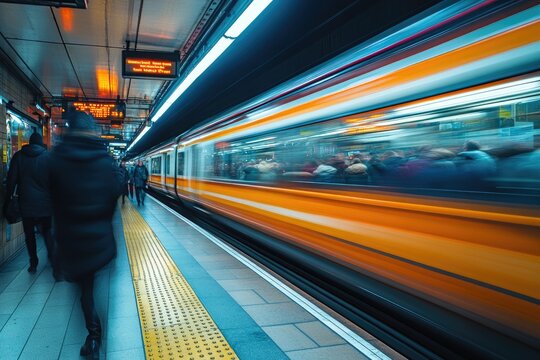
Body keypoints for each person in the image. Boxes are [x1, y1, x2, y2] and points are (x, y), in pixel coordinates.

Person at [49, 111, 121, 358]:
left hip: (71, 242)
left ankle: (93, 334)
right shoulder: (105, 160)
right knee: (92, 286)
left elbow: (54, 205)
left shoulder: (57, 159)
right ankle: (96, 333)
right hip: (100, 241)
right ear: (93, 132)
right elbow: (114, 196)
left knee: (84, 290)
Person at [5, 132, 54, 274]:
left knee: (29, 235)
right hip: (45, 204)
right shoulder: (48, 157)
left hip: (26, 204)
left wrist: (8, 201)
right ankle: (52, 257)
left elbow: (11, 182)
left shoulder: (18, 156)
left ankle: (33, 262)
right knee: (47, 232)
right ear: (40, 143)